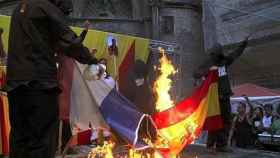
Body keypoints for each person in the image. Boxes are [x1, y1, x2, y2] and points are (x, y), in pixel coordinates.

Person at [6, 0, 98, 158]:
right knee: (42, 141)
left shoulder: (18, 9)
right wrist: (91, 60)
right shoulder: (46, 8)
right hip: (39, 86)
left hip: (15, 86)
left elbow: (51, 42)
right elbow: (69, 42)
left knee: (20, 139)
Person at [193, 37, 249, 152]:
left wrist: (243, 44)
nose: (217, 56)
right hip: (214, 98)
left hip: (225, 96)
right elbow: (196, 73)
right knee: (215, 120)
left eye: (219, 54)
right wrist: (207, 71)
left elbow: (235, 54)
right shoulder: (208, 63)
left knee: (226, 120)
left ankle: (221, 145)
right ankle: (210, 145)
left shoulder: (224, 61)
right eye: (215, 54)